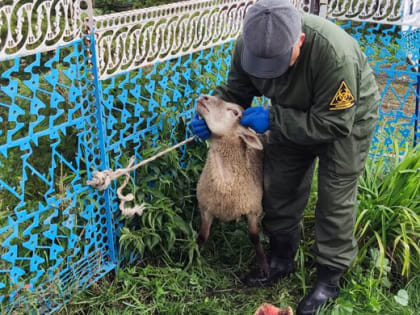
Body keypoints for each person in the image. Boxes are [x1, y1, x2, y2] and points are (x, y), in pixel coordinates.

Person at [191, 0, 380, 314]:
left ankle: (328, 280)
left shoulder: (334, 54)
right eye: (260, 63)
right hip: (287, 115)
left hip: (343, 121)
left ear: (299, 42)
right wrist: (214, 116)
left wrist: (275, 121)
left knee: (335, 196)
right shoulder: (249, 44)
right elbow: (237, 90)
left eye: (276, 62)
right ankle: (280, 258)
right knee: (278, 183)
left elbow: (333, 124)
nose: (266, 71)